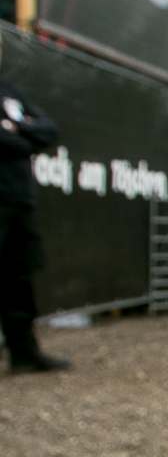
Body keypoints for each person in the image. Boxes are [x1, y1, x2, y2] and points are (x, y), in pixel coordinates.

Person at [0, 61, 69, 374]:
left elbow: (50, 130)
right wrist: (25, 136)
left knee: (19, 277)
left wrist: (18, 127)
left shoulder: (12, 92)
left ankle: (24, 353)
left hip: (20, 201)